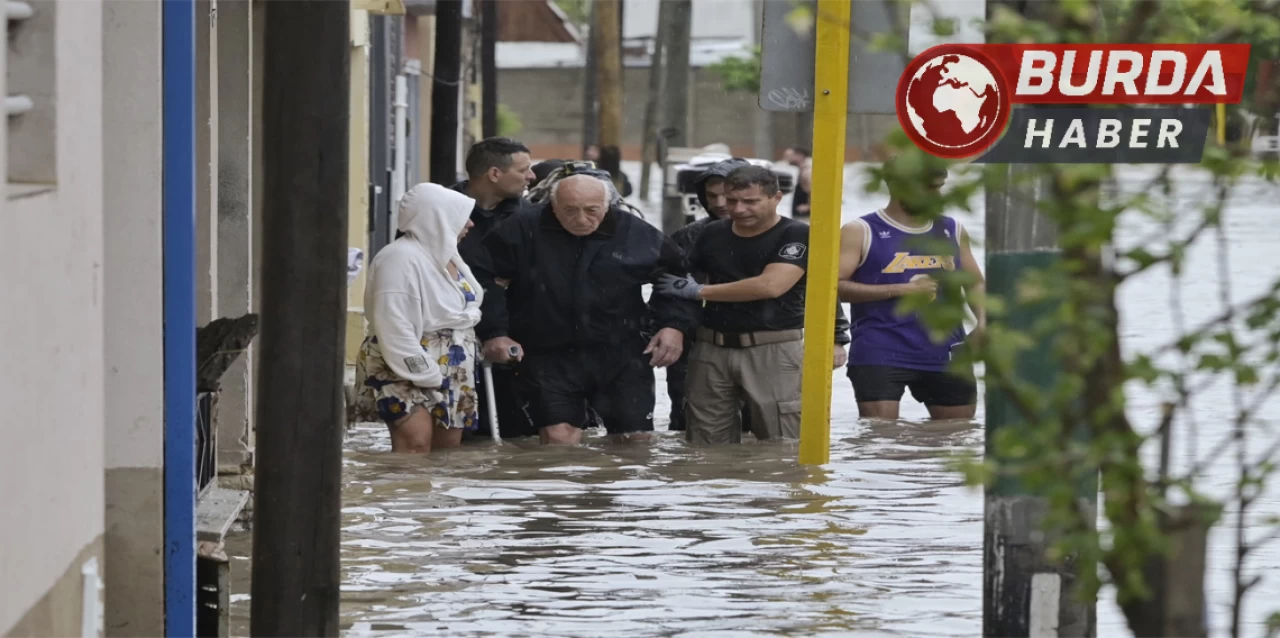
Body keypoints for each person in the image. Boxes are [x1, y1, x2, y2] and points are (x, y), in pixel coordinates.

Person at [474, 174, 699, 445]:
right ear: (552, 206)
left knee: (634, 440)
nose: (580, 219)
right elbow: (482, 279)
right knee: (558, 440)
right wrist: (495, 332)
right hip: (547, 352)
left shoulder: (635, 232)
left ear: (606, 206)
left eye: (591, 211)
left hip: (621, 351)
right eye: (569, 210)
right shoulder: (521, 228)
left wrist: (673, 326)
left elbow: (677, 282)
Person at [664, 158, 851, 432]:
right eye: (731, 200)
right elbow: (677, 281)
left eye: (750, 202)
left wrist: (836, 337)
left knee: (781, 441)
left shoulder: (797, 234)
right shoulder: (708, 233)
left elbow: (771, 286)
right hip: (711, 347)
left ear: (776, 198)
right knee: (703, 444)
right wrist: (672, 325)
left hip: (773, 347)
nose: (738, 209)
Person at [837, 161, 985, 420]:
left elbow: (974, 282)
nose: (936, 195)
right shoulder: (859, 230)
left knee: (956, 436)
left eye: (939, 187)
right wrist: (901, 289)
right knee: (880, 441)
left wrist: (984, 322)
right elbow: (835, 288)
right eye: (927, 188)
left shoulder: (952, 229)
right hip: (879, 348)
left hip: (946, 349)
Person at [353, 183, 484, 453]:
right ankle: (401, 495)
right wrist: (425, 372)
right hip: (403, 359)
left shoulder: (450, 257)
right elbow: (394, 323)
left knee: (446, 453)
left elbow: (467, 304)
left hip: (454, 363)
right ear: (437, 217)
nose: (470, 223)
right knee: (415, 446)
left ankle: (432, 498)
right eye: (462, 216)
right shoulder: (398, 259)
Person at [452, 137, 539, 440]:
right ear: (494, 174)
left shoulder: (530, 218)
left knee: (517, 434)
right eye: (524, 170)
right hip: (453, 336)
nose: (532, 177)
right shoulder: (441, 212)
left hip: (519, 339)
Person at [781, 147, 812, 219]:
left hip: (805, 216)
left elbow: (815, 191)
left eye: (789, 156)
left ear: (799, 156)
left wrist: (809, 206)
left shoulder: (807, 172)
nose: (786, 159)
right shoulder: (803, 170)